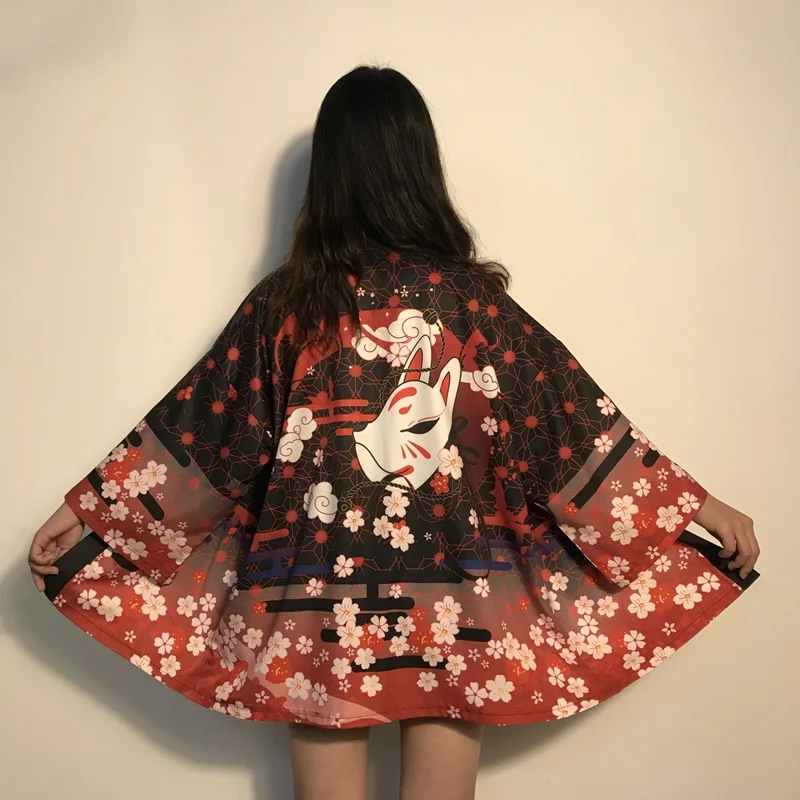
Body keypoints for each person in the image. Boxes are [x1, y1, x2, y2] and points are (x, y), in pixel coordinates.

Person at [28, 66, 760, 800]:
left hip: (314, 595)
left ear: (330, 172)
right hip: (458, 597)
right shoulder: (472, 303)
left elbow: (209, 432)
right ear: (419, 164)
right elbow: (566, 424)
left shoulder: (289, 303)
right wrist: (694, 507)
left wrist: (89, 512)